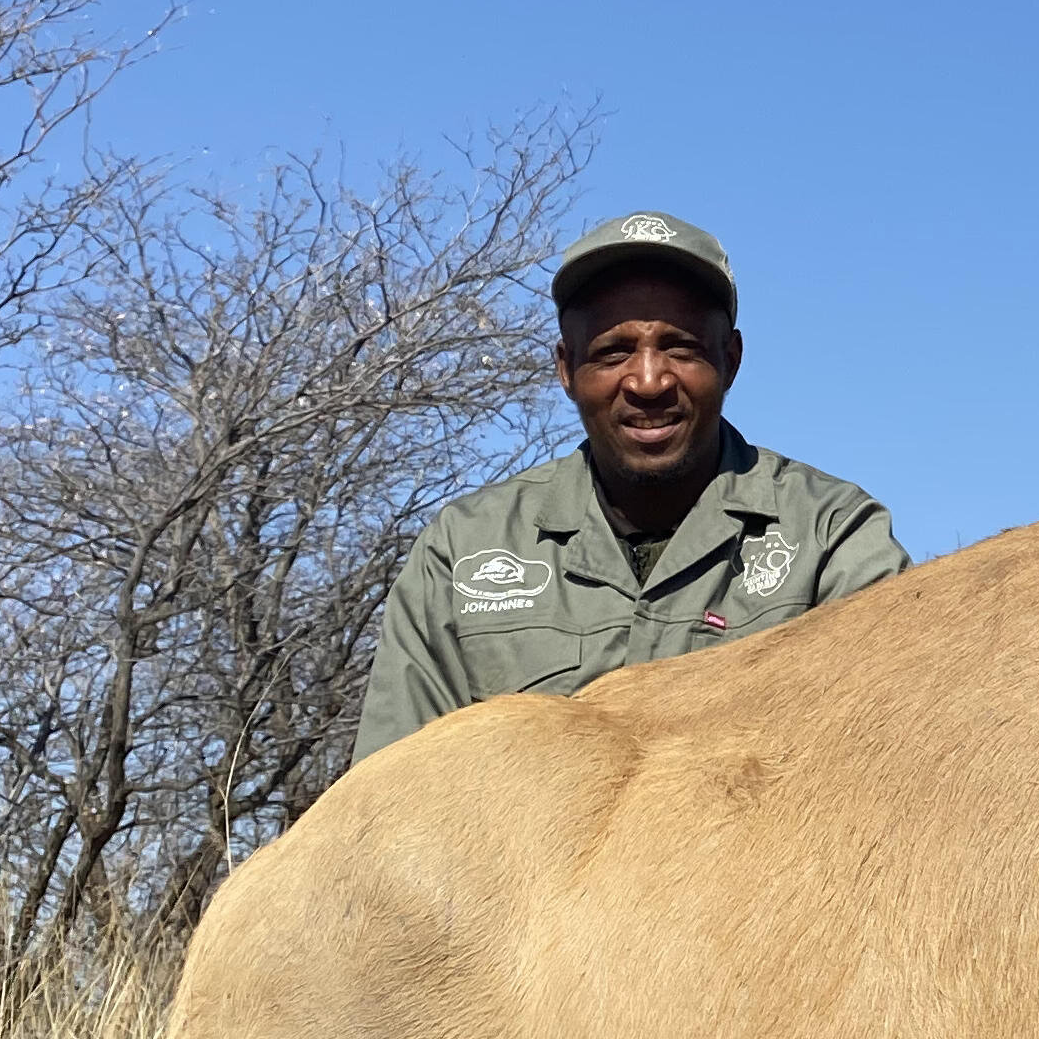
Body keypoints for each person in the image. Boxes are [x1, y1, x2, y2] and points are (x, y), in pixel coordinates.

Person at [350, 211, 909, 762]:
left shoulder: (832, 535)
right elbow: (387, 800)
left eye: (681, 348)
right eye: (613, 352)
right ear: (567, 369)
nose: (648, 381)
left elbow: (890, 765)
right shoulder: (465, 548)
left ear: (730, 361)